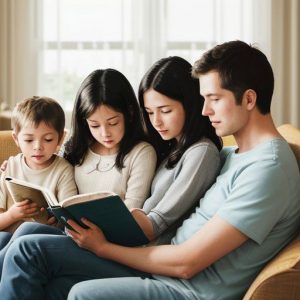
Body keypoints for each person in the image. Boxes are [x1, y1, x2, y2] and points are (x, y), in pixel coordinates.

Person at [0, 54, 228, 300]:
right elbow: (49, 161)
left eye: (165, 110)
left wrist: (102, 237)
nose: (156, 121)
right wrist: (15, 166)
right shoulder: (170, 146)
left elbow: (153, 223)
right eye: (150, 112)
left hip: (131, 253)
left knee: (26, 247)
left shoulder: (196, 152)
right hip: (97, 240)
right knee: (23, 233)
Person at [0, 97, 77, 258]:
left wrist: (56, 222)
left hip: (39, 240)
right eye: (28, 140)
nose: (38, 147)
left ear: (60, 138)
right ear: (16, 139)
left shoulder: (63, 170)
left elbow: (69, 215)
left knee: (27, 230)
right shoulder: (10, 167)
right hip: (6, 237)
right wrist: (12, 215)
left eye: (48, 139)